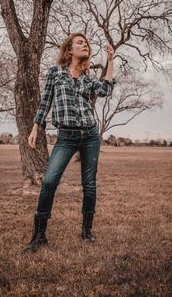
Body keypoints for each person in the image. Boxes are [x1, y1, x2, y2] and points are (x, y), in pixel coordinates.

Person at [24, 33, 115, 253]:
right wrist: (36, 126)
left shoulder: (87, 77)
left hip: (90, 136)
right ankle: (39, 236)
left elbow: (106, 90)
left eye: (86, 43)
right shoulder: (55, 73)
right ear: (70, 50)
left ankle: (86, 232)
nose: (85, 45)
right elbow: (45, 101)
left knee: (89, 184)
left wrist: (111, 60)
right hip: (66, 137)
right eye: (80, 42)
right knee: (49, 182)